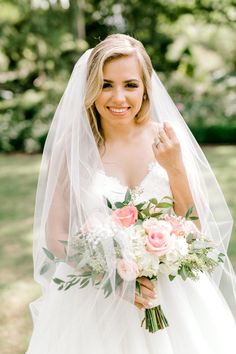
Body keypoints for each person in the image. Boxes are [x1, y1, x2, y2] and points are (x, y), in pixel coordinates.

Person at [26, 34, 236, 354]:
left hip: (171, 294)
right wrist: (113, 278)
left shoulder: (166, 138)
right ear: (91, 88)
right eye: (106, 84)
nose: (118, 97)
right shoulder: (72, 147)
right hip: (93, 297)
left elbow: (196, 225)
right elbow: (55, 236)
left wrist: (174, 167)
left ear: (146, 87)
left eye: (130, 84)